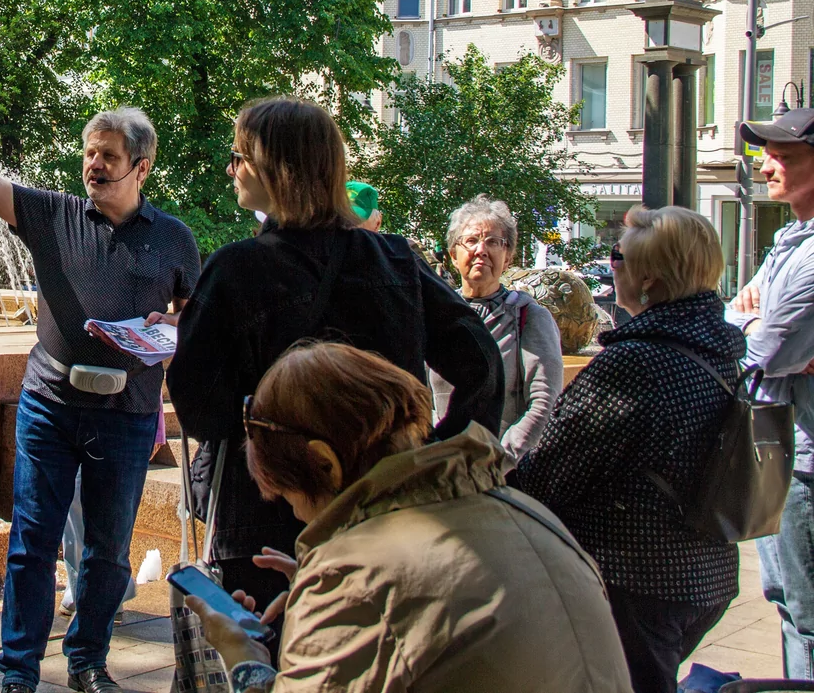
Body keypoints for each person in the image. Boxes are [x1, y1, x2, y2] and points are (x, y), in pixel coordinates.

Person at [0, 79, 200, 693]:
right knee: (33, 543)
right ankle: (18, 673)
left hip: (127, 412)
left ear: (142, 165)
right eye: (89, 153)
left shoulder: (174, 238)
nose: (94, 164)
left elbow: (194, 314)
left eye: (109, 155)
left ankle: (87, 661)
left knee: (108, 553)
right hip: (49, 407)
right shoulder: (54, 216)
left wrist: (176, 323)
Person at [168, 97, 503, 617]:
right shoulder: (396, 260)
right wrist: (432, 452)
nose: (231, 169)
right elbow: (481, 361)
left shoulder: (236, 270)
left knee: (267, 656)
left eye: (240, 156)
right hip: (384, 508)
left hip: (266, 517)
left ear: (276, 168)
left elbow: (198, 409)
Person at [185, 341, 631, 693]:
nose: (298, 517)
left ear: (324, 464)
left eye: (290, 496)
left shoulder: (355, 579)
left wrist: (244, 658)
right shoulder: (527, 512)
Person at [514, 205, 742, 693]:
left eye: (616, 256)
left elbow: (550, 475)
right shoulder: (722, 349)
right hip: (706, 574)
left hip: (637, 581)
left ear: (649, 280)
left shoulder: (637, 361)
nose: (610, 264)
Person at [728, 107, 814, 678]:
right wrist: (748, 322)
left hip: (802, 463)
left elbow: (766, 355)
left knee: (805, 616)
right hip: (772, 451)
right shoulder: (787, 240)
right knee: (783, 602)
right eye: (766, 156)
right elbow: (730, 320)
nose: (767, 168)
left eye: (783, 156)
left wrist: (752, 328)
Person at [432, 194, 563, 462]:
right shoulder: (434, 314)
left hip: (502, 473)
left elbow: (544, 403)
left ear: (508, 257)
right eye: (470, 241)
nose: (481, 250)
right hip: (439, 471)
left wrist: (498, 462)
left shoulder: (529, 317)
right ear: (453, 256)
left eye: (493, 241)